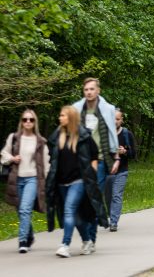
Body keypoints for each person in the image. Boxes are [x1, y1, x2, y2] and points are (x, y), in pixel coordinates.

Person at [46, 105, 108, 257]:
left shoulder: (83, 136)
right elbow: (51, 158)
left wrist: (91, 171)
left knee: (69, 209)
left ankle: (65, 245)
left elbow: (94, 155)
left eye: (63, 115)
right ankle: (87, 241)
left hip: (78, 181)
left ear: (71, 118)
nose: (60, 118)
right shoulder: (56, 136)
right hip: (61, 182)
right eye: (60, 115)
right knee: (76, 216)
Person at [73, 77, 119, 245]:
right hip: (79, 161)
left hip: (98, 160)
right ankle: (85, 234)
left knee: (93, 198)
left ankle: (90, 239)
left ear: (98, 90)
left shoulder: (108, 109)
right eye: (86, 90)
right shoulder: (76, 109)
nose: (89, 92)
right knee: (78, 200)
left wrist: (116, 157)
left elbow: (112, 133)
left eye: (92, 89)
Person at [1, 110, 50, 253]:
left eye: (31, 119)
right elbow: (4, 153)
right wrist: (12, 158)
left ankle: (22, 241)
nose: (28, 122)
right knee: (20, 210)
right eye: (25, 119)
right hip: (16, 178)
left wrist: (46, 182)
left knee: (25, 209)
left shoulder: (41, 141)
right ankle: (30, 235)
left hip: (32, 179)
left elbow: (46, 163)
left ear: (35, 122)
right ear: (21, 121)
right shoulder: (14, 138)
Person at [106, 109, 136, 231]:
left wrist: (125, 152)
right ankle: (111, 214)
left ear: (121, 120)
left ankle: (113, 222)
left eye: (118, 119)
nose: (115, 121)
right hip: (106, 171)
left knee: (116, 196)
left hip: (121, 171)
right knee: (108, 197)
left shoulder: (127, 134)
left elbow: (133, 154)